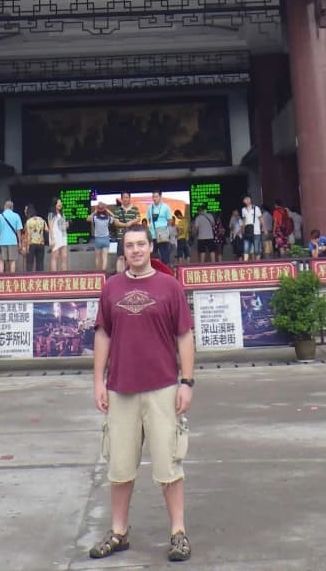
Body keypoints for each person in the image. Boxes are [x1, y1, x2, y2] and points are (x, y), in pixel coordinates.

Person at [90, 223, 194, 564]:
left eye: (140, 244)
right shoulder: (111, 288)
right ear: (124, 251)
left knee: (169, 467)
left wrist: (187, 382)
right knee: (119, 468)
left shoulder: (170, 287)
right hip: (121, 389)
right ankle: (119, 531)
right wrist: (98, 381)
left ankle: (178, 532)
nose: (135, 250)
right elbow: (103, 334)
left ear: (151, 247)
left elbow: (184, 336)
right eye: (129, 245)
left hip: (163, 388)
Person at [111, 192, 141, 272]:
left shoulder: (135, 209)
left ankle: (130, 273)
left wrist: (131, 222)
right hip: (121, 236)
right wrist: (125, 225)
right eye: (124, 197)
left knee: (130, 256)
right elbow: (116, 222)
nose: (125, 199)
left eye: (127, 197)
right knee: (120, 257)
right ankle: (120, 276)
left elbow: (138, 219)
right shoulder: (118, 210)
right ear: (121, 199)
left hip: (132, 237)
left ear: (129, 198)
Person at [0, 200, 23, 274]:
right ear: (12, 207)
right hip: (13, 241)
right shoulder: (16, 216)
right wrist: (19, 242)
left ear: (5, 207)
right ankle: (11, 278)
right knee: (12, 260)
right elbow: (18, 231)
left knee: (1, 261)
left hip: (2, 241)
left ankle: (0, 277)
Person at [147, 192, 174, 267]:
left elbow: (169, 220)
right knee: (152, 253)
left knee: (164, 253)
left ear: (160, 197)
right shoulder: (149, 207)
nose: (155, 198)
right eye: (153, 196)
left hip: (162, 233)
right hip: (152, 234)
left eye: (156, 196)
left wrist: (163, 227)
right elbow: (149, 219)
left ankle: (166, 270)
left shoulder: (165, 207)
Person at [91, 202, 114, 272]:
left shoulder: (95, 218)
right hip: (106, 239)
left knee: (97, 257)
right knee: (105, 257)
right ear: (105, 210)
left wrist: (95, 211)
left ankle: (98, 272)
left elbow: (87, 218)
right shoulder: (108, 218)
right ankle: (103, 272)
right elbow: (114, 216)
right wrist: (107, 210)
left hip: (98, 239)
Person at [25, 205, 48, 273]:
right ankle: (40, 278)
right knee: (40, 263)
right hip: (41, 244)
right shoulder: (42, 220)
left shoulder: (28, 221)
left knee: (29, 263)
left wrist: (26, 246)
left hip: (31, 244)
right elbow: (46, 230)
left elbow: (28, 234)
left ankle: (29, 278)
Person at [49, 198, 70, 272]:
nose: (60, 204)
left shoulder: (62, 214)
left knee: (64, 256)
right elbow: (50, 227)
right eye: (58, 202)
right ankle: (54, 275)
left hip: (63, 236)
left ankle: (64, 274)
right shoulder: (51, 214)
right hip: (55, 237)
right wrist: (52, 238)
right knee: (55, 257)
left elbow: (63, 226)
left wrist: (67, 225)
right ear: (55, 204)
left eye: (61, 202)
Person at [239, 196, 262, 262]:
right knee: (246, 249)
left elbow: (261, 218)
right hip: (247, 231)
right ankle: (245, 263)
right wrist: (242, 229)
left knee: (257, 250)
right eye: (245, 199)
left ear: (250, 200)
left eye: (247, 199)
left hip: (256, 231)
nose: (246, 200)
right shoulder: (243, 209)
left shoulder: (256, 208)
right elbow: (244, 220)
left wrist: (264, 228)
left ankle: (258, 264)